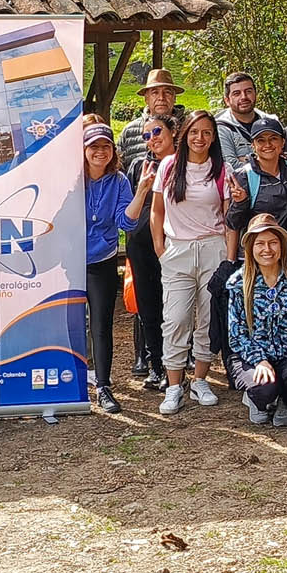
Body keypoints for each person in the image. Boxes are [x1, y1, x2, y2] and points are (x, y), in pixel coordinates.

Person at [152, 110, 237, 415]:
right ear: (184, 134)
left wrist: (229, 258)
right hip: (178, 250)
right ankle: (174, 386)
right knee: (176, 319)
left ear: (213, 137)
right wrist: (160, 248)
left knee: (207, 320)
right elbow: (157, 211)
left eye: (207, 133)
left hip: (213, 249)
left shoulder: (222, 169)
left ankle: (200, 380)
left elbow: (230, 218)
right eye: (194, 132)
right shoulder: (169, 166)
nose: (200, 138)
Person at [225, 216, 287, 427]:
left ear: (282, 246)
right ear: (250, 248)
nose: (267, 249)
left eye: (273, 242)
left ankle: (285, 402)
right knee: (265, 386)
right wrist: (260, 360)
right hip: (251, 356)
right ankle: (258, 400)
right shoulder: (239, 282)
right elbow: (236, 335)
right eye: (260, 243)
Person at [83, 123, 141, 414]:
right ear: (83, 150)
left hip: (102, 260)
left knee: (101, 325)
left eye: (106, 146)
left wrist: (142, 191)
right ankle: (68, 383)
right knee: (66, 323)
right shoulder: (70, 179)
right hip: (68, 261)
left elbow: (126, 222)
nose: (100, 152)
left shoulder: (118, 181)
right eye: (93, 146)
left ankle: (103, 386)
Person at [124, 112, 176, 390]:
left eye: (157, 132)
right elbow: (128, 208)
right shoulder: (138, 165)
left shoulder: (184, 163)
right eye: (146, 135)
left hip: (173, 241)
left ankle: (175, 364)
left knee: (174, 306)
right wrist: (142, 188)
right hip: (140, 244)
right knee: (148, 306)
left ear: (172, 132)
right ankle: (156, 365)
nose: (152, 139)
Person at [226, 116, 287, 258]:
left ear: (283, 142)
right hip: (258, 256)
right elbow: (233, 223)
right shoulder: (244, 175)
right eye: (260, 140)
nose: (267, 144)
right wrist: (240, 203)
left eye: (273, 138)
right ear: (253, 145)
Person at [118, 69, 184, 172]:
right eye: (155, 93)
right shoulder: (130, 130)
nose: (161, 98)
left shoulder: (188, 128)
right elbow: (118, 168)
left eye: (167, 92)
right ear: (146, 98)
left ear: (174, 98)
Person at [214, 71, 272, 168]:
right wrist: (267, 160)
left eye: (248, 91)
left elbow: (282, 158)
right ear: (227, 100)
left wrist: (245, 159)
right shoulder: (221, 128)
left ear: (256, 94)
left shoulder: (269, 122)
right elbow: (231, 166)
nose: (244, 97)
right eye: (237, 94)